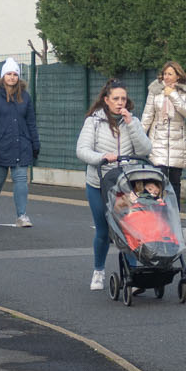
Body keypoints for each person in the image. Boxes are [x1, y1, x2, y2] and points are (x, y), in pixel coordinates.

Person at [75, 80, 151, 292]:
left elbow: (145, 150)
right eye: (115, 99)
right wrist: (102, 157)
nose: (120, 103)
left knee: (128, 227)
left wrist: (132, 125)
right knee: (103, 230)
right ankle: (98, 271)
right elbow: (82, 150)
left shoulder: (132, 121)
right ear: (106, 100)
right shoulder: (94, 122)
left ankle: (132, 273)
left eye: (123, 99)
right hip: (99, 183)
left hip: (124, 185)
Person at [0, 58, 40, 229]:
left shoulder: (25, 97)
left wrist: (35, 143)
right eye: (9, 74)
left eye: (15, 74)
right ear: (3, 76)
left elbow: (31, 122)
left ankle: (21, 215)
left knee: (20, 179)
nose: (12, 77)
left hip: (21, 144)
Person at [139, 62, 186, 194]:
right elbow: (148, 115)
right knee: (158, 179)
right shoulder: (155, 89)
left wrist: (173, 95)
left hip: (178, 141)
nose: (166, 77)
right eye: (165, 74)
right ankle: (159, 212)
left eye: (170, 74)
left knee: (175, 181)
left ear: (178, 75)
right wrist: (140, 136)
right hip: (158, 140)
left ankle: (175, 212)